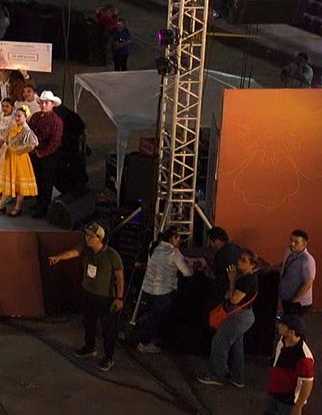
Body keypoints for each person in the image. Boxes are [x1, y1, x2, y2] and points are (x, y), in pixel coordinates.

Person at [46, 222, 125, 372]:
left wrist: (119, 297)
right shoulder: (85, 248)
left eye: (90, 236)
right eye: (86, 235)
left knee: (108, 328)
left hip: (105, 297)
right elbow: (72, 253)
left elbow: (119, 276)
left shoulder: (112, 255)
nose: (87, 238)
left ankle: (109, 356)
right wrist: (59, 257)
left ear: (100, 238)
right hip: (88, 292)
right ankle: (89, 346)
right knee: (88, 322)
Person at [199, 249, 261, 388]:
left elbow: (233, 299)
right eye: (240, 258)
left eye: (244, 260)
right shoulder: (247, 277)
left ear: (252, 265)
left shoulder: (247, 279)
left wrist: (232, 281)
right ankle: (237, 378)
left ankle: (216, 375)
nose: (239, 261)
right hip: (244, 316)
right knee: (237, 345)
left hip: (239, 317)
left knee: (220, 341)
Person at [130, 228, 197, 353]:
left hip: (148, 288)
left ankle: (146, 337)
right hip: (163, 291)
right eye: (178, 238)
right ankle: (144, 343)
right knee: (156, 318)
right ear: (172, 238)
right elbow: (187, 272)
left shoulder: (153, 246)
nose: (179, 241)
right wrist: (193, 266)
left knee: (150, 315)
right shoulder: (173, 253)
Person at [265, 314, 316, 415]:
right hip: (275, 393)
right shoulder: (283, 340)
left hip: (288, 401)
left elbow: (307, 384)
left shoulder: (304, 358)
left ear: (291, 332)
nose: (279, 326)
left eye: (283, 325)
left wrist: (298, 407)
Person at [27, 90, 65, 219]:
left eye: (46, 103)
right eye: (42, 102)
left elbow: (55, 142)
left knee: (46, 182)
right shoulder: (36, 116)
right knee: (36, 179)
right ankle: (38, 203)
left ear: (52, 104)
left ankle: (43, 208)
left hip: (49, 156)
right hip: (35, 153)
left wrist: (42, 153)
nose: (43, 105)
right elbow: (29, 132)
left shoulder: (56, 122)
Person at [278, 229, 316, 318]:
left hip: (298, 303)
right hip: (287, 298)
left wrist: (295, 300)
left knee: (293, 326)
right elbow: (285, 264)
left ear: (304, 244)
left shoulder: (307, 260)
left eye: (296, 242)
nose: (292, 244)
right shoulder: (289, 251)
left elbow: (308, 283)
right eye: (291, 240)